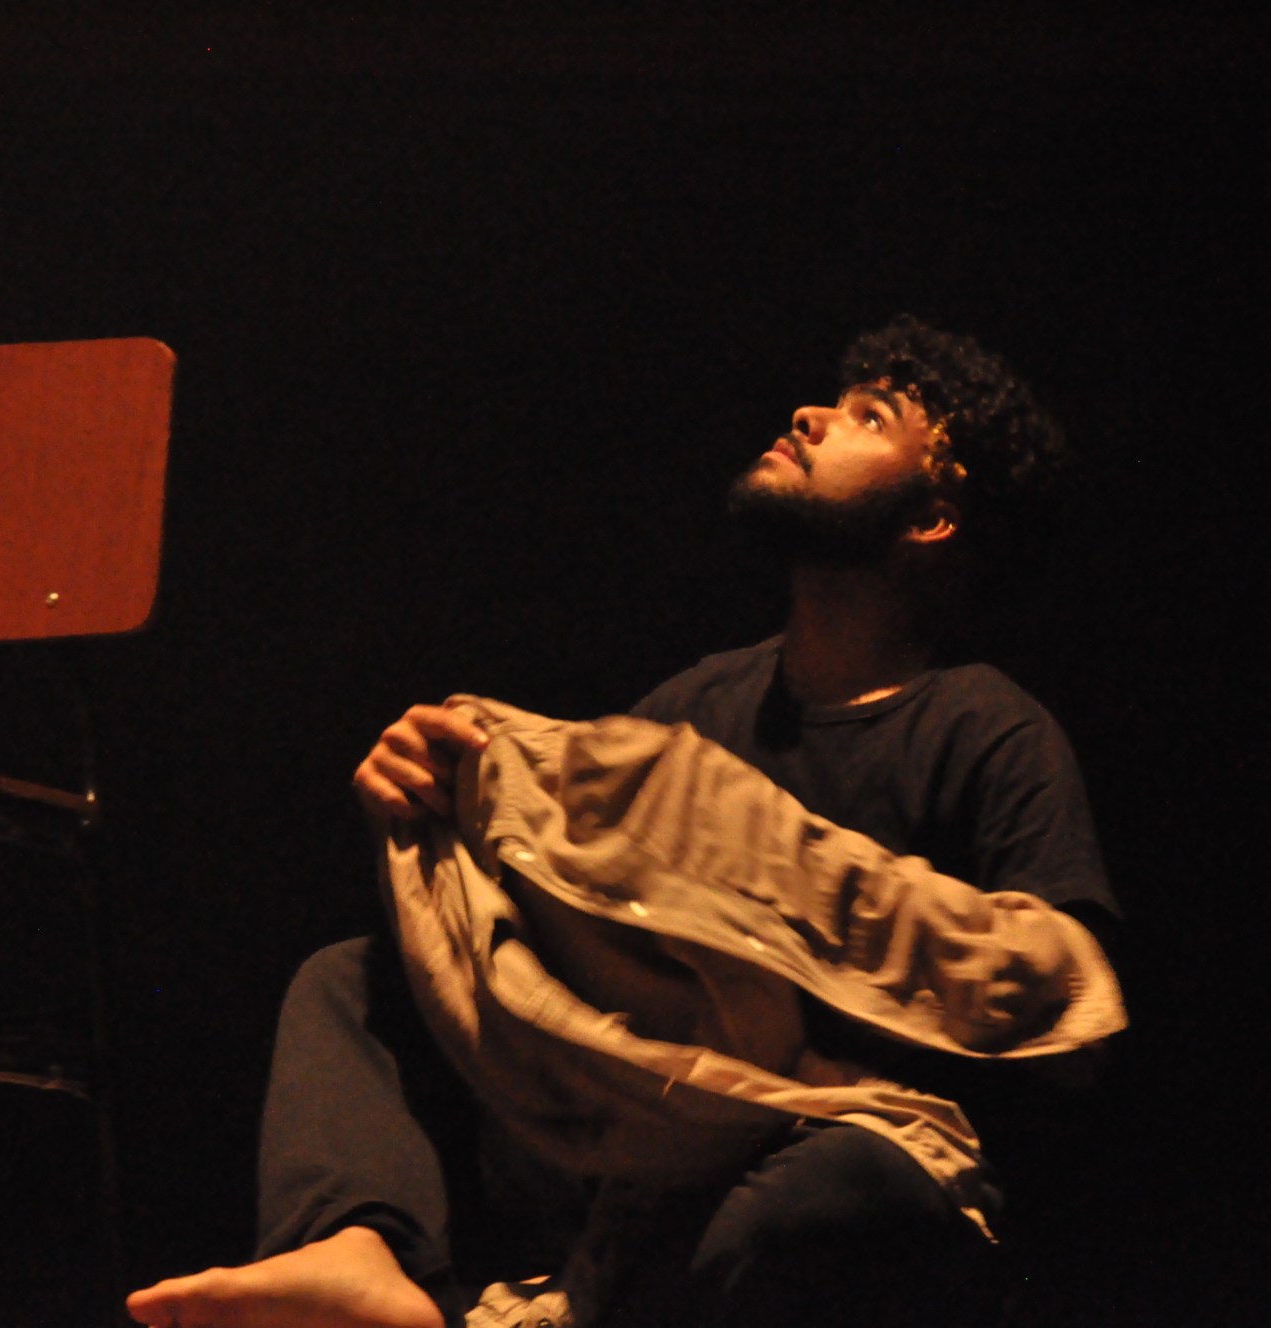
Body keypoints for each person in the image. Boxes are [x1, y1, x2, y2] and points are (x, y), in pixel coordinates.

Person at [127, 316, 1123, 1328]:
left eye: (870, 416)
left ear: (933, 518)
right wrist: (434, 786)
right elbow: (567, 904)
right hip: (656, 1117)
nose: (809, 415)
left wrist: (781, 892)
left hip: (835, 1133)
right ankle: (357, 1247)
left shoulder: (987, 728)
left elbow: (1065, 1013)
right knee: (350, 981)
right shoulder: (696, 707)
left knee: (800, 1205)